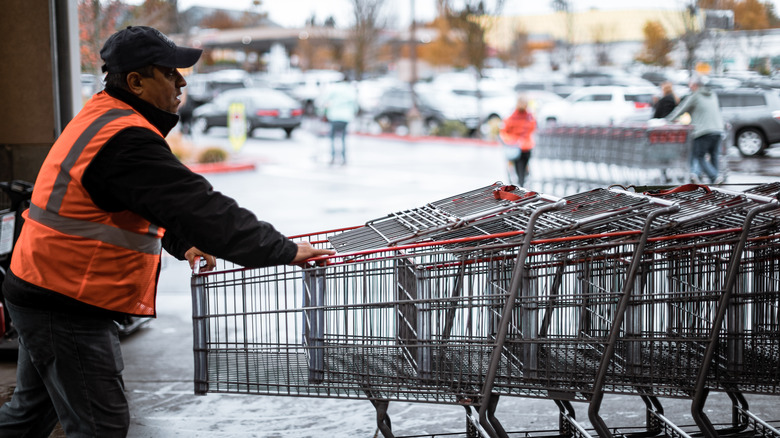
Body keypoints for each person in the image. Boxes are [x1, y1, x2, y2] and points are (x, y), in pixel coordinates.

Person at [0, 25, 333, 437]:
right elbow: (199, 206)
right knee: (101, 426)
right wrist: (282, 249)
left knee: (28, 416)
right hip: (66, 301)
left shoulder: (108, 117)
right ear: (137, 81)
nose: (182, 80)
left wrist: (182, 243)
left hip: (42, 286)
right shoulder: (124, 138)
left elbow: (140, 200)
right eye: (170, 71)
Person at [665, 76, 725, 184]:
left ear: (695, 85)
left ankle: (714, 177)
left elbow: (682, 109)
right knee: (714, 155)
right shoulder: (712, 94)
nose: (689, 87)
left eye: (690, 84)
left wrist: (668, 120)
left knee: (699, 155)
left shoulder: (695, 96)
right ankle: (715, 178)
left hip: (703, 130)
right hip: (718, 129)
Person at [499, 95, 537, 186]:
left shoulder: (512, 116)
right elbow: (532, 127)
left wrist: (511, 140)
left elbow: (504, 131)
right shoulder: (529, 116)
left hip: (517, 146)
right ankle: (522, 181)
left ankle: (521, 183)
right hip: (525, 146)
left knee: (519, 167)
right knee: (523, 166)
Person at [320, 79, 359, 165]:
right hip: (346, 117)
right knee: (343, 138)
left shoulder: (334, 89)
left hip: (334, 116)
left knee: (333, 138)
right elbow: (355, 104)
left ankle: (333, 157)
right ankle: (344, 158)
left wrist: (323, 112)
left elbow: (325, 101)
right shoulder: (350, 89)